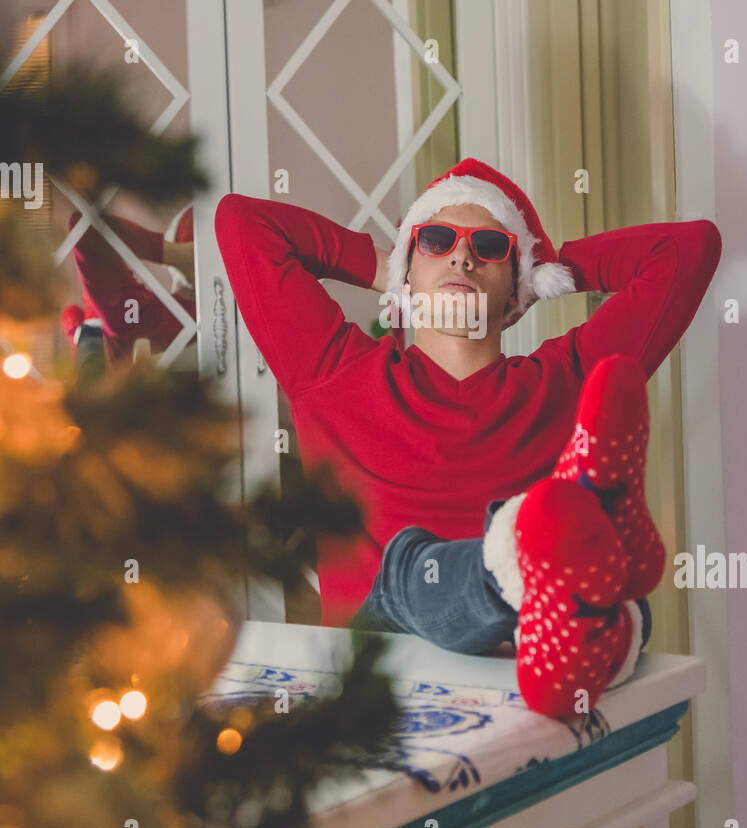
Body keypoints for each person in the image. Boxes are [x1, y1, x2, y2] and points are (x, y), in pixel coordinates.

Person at [214, 158, 721, 718]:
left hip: (515, 674)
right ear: (406, 272)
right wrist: (385, 267)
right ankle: (560, 587)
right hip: (381, 660)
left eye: (490, 246)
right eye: (435, 240)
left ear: (514, 294)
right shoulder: (334, 373)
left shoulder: (565, 382)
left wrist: (545, 266)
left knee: (587, 577)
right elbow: (242, 222)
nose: (461, 255)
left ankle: (603, 614)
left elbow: (690, 249)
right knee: (411, 569)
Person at [62, 205, 196, 370]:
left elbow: (82, 228)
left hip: (117, 332)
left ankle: (88, 332)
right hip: (120, 337)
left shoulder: (126, 317)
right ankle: (88, 333)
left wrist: (178, 256)